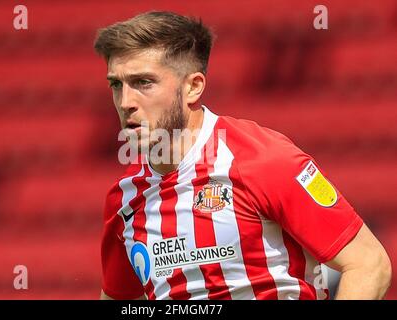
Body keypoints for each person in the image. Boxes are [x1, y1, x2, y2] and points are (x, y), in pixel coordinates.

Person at [93, 11, 391, 300]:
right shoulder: (125, 198)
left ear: (193, 87)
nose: (126, 101)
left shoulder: (264, 161)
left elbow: (369, 265)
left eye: (144, 83)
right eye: (116, 85)